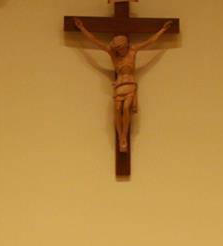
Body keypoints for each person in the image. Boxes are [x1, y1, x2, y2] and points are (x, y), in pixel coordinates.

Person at [72, 17, 174, 153]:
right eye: (118, 48)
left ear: (126, 45)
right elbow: (96, 42)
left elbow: (149, 42)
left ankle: (124, 135)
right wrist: (82, 28)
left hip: (130, 85)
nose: (120, 50)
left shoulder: (133, 51)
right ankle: (120, 135)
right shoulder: (113, 55)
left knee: (126, 108)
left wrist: (162, 30)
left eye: (121, 48)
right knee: (117, 109)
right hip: (119, 86)